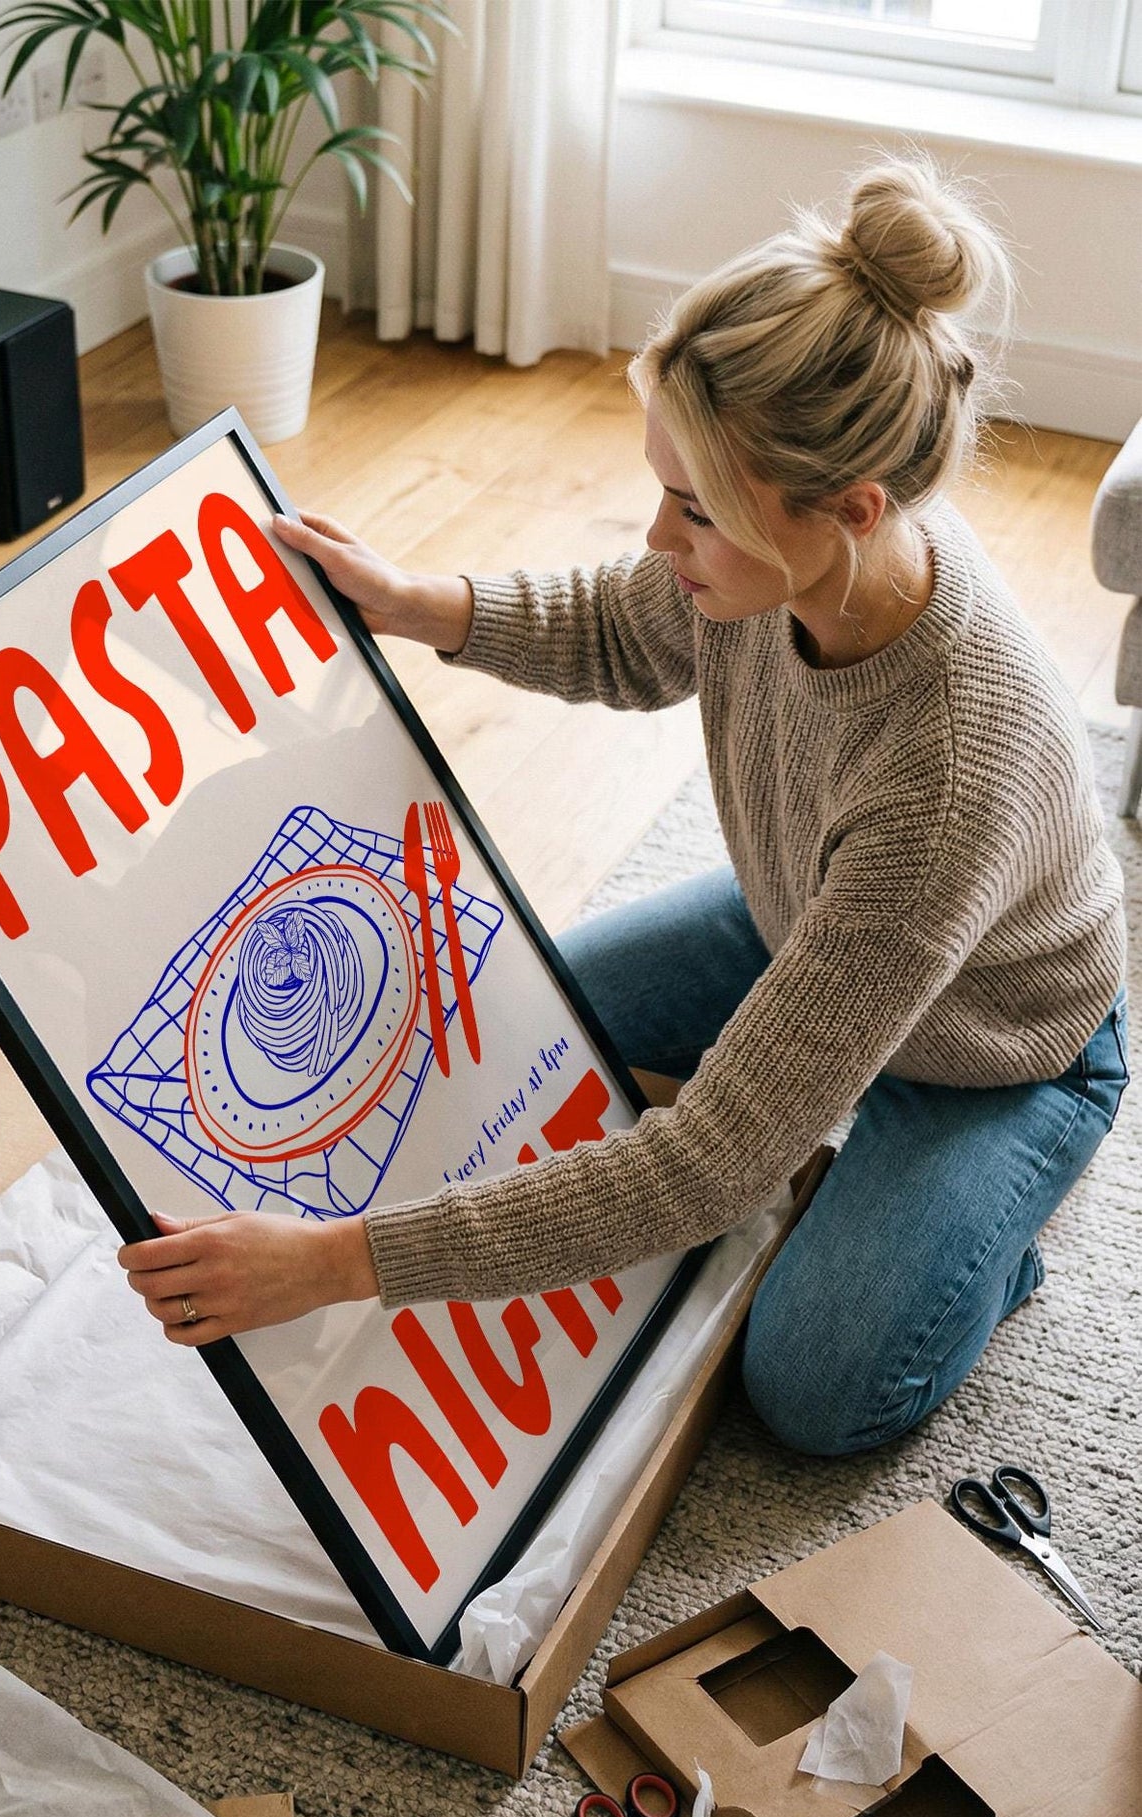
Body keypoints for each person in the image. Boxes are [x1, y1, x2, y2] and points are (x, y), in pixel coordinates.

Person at [120, 156, 1127, 1457]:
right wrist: (416, 601)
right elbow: (621, 623)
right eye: (662, 486)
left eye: (694, 510)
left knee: (819, 1385)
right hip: (796, 916)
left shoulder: (941, 775)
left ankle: (980, 1245)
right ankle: (856, 1134)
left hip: (996, 1045)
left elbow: (708, 1166)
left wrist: (328, 1264)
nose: (658, 537)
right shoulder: (787, 565)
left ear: (849, 512)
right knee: (498, 1044)